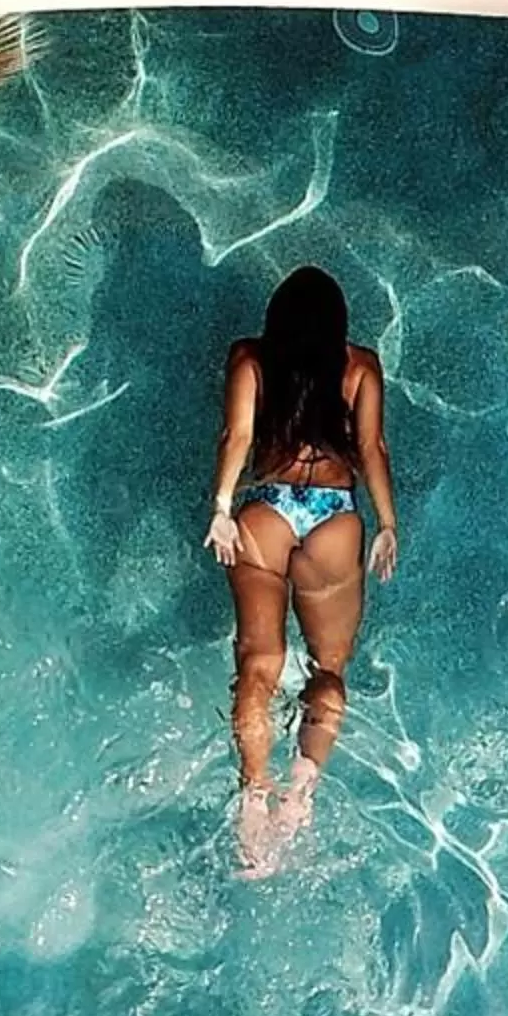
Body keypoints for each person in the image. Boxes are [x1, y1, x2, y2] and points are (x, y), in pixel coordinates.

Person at [203, 265, 398, 876]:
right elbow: (371, 450)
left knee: (259, 664)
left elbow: (236, 435)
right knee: (329, 667)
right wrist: (387, 524)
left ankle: (253, 793)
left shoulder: (251, 356)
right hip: (335, 519)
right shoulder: (360, 364)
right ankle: (300, 791)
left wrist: (221, 507)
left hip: (267, 513)